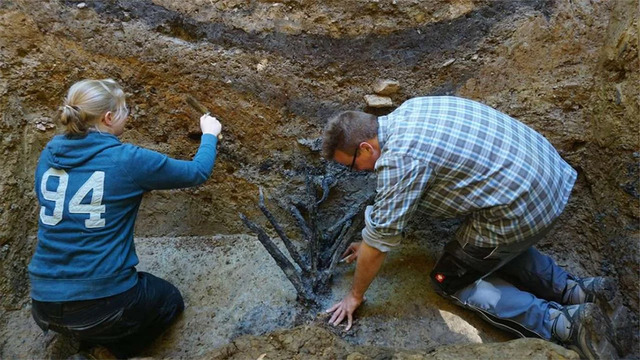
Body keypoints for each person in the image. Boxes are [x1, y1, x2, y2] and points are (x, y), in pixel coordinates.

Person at [322, 96, 620, 359]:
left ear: (364, 148)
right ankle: (577, 291)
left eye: (351, 165)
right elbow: (399, 205)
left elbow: (380, 242)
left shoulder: (399, 160)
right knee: (479, 246)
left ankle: (564, 324)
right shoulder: (411, 110)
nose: (356, 172)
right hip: (546, 175)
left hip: (526, 205)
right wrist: (371, 241)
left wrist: (354, 296)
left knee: (450, 279)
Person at [28, 79, 222, 359]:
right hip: (102, 306)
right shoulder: (127, 159)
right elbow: (197, 172)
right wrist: (210, 135)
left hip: (43, 303)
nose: (128, 114)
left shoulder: (49, 154)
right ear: (108, 118)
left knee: (100, 306)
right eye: (124, 109)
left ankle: (86, 345)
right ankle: (103, 354)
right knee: (168, 300)